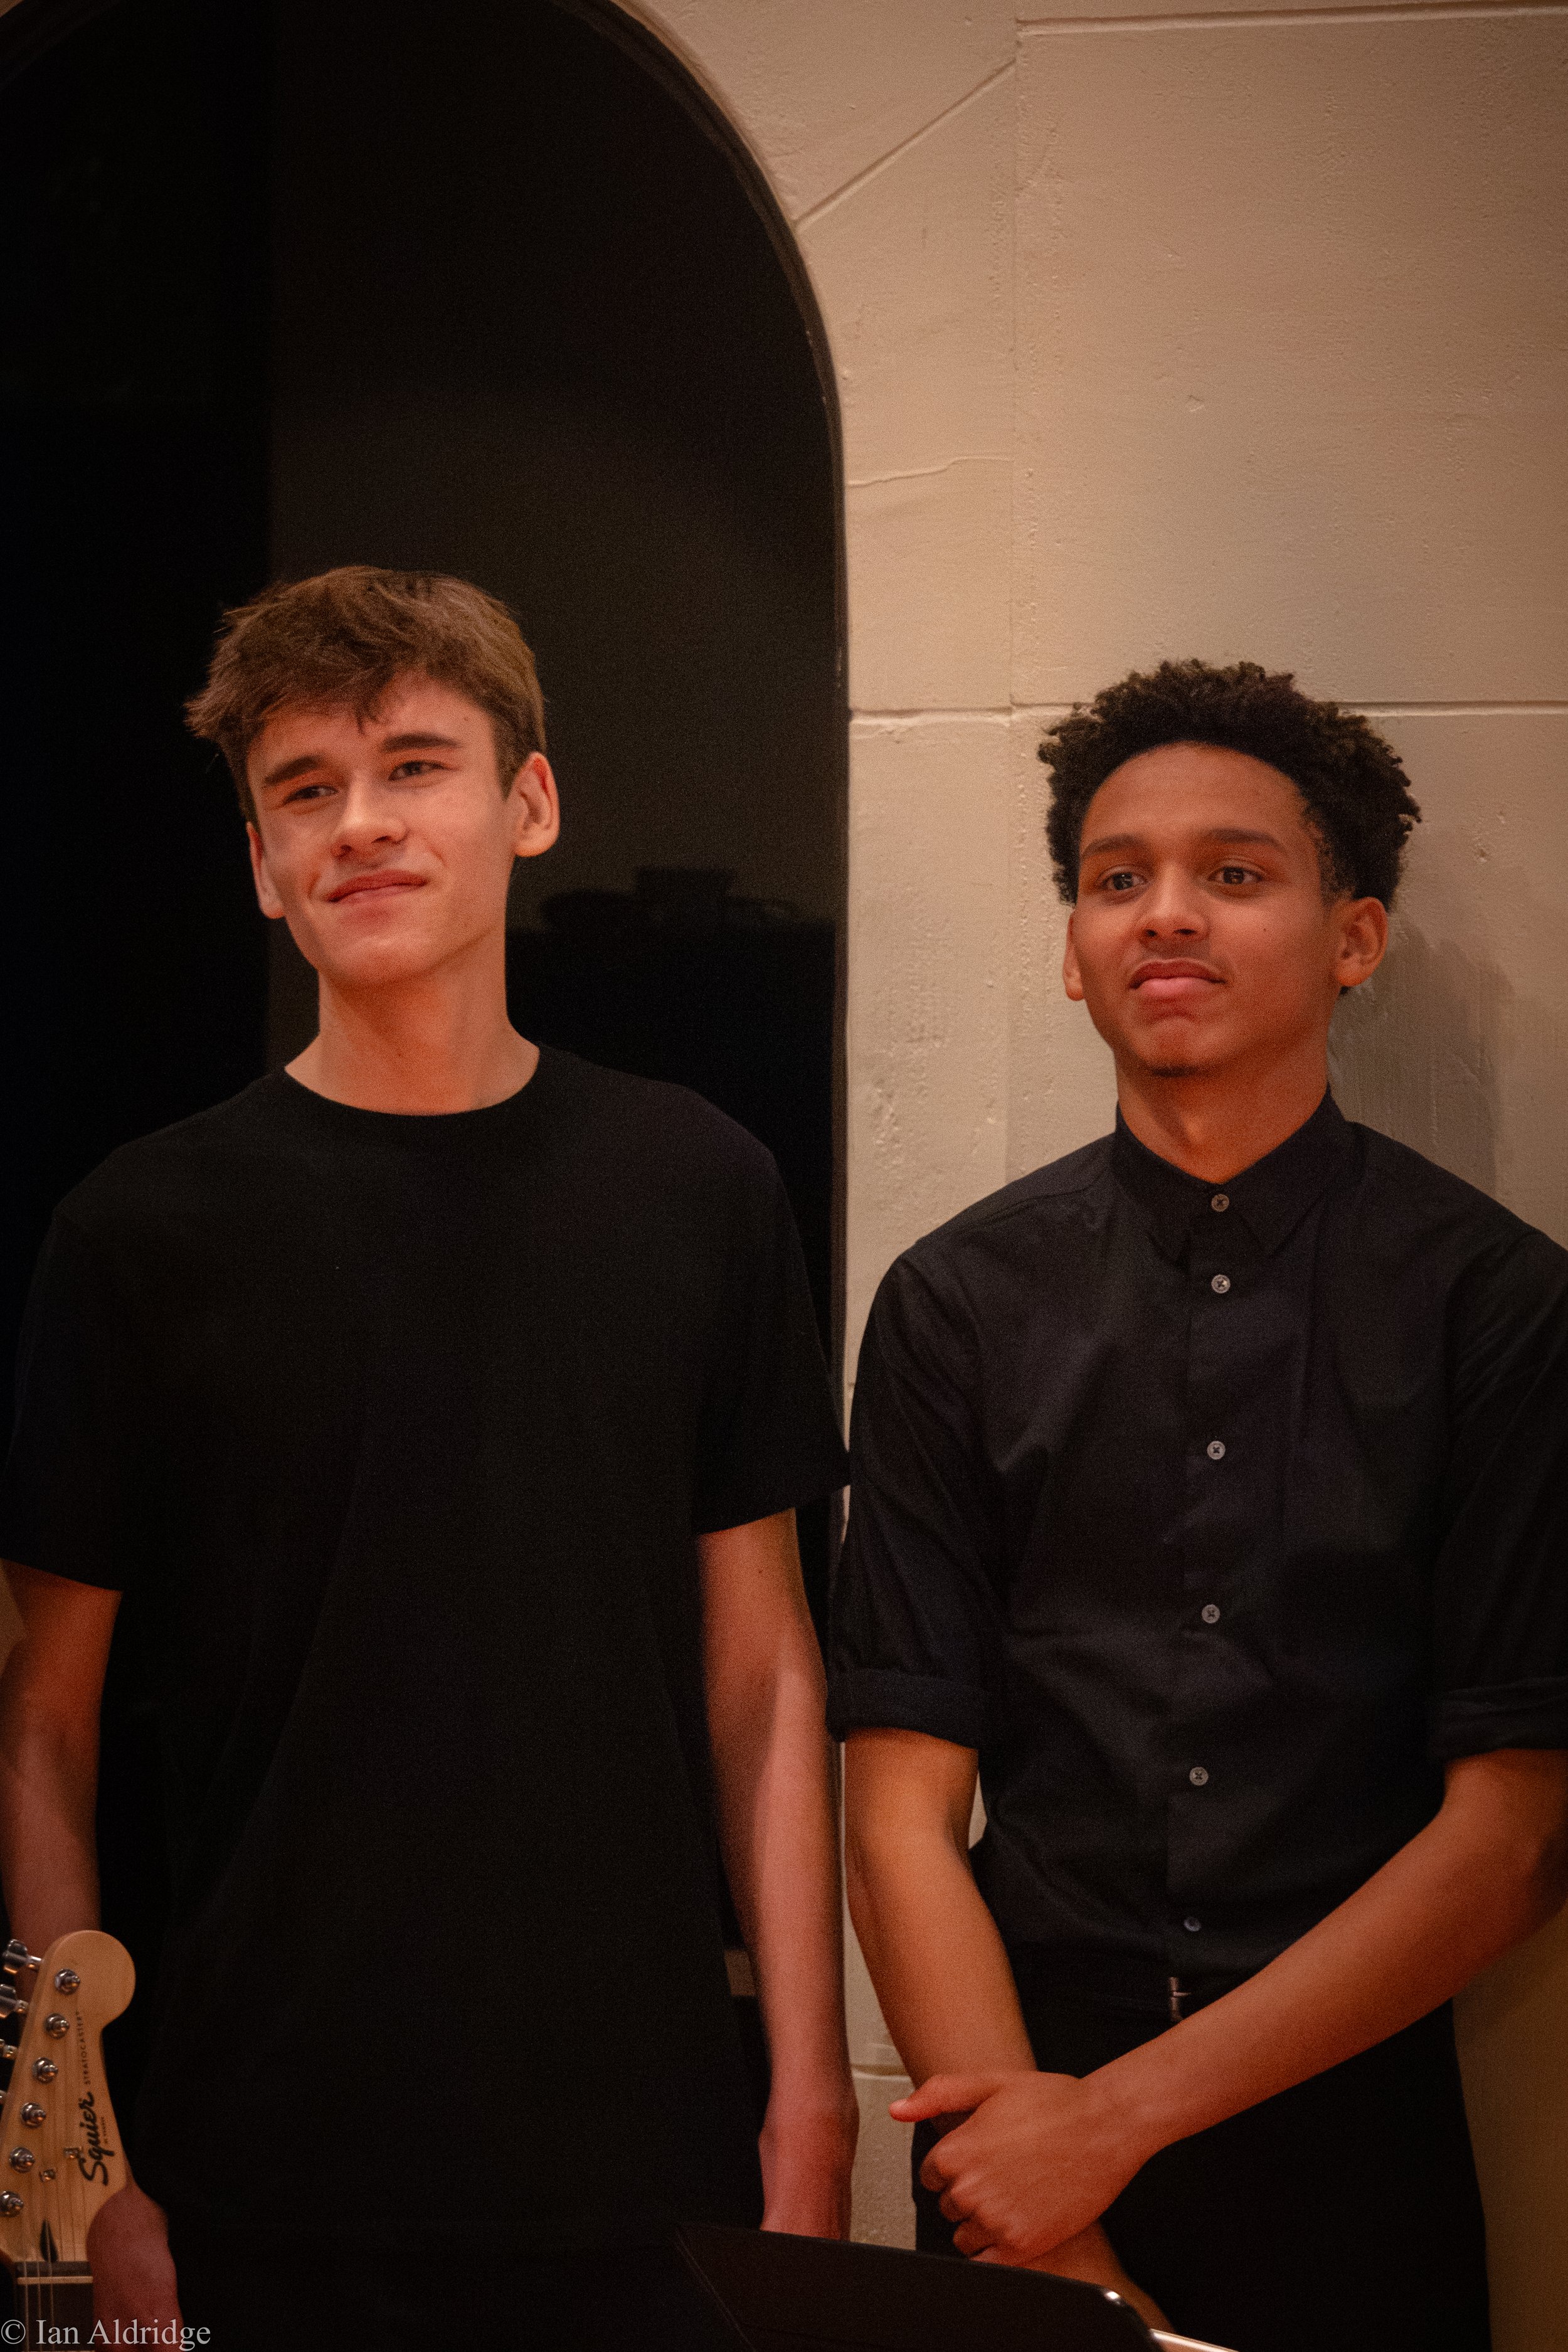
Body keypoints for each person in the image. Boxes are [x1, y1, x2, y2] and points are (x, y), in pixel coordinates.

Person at [0, 566, 857, 2349]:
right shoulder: (141, 1230)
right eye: (304, 789)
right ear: (258, 861)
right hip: (253, 2151)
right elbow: (40, 1722)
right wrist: (74, 2165)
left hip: (646, 2143)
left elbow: (766, 1676)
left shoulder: (696, 1187)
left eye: (413, 764)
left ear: (528, 802)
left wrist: (810, 2087)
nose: (362, 824)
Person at [830, 659, 1568, 2352]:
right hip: (1003, 2118)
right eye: (1114, 879)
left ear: (1350, 936)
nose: (1164, 917)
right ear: (1071, 944)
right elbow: (895, 1813)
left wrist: (1115, 2125)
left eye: (1233, 874)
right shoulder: (953, 1304)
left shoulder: (1497, 1308)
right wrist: (1051, 2220)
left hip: (1344, 2120)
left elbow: (1513, 1834)